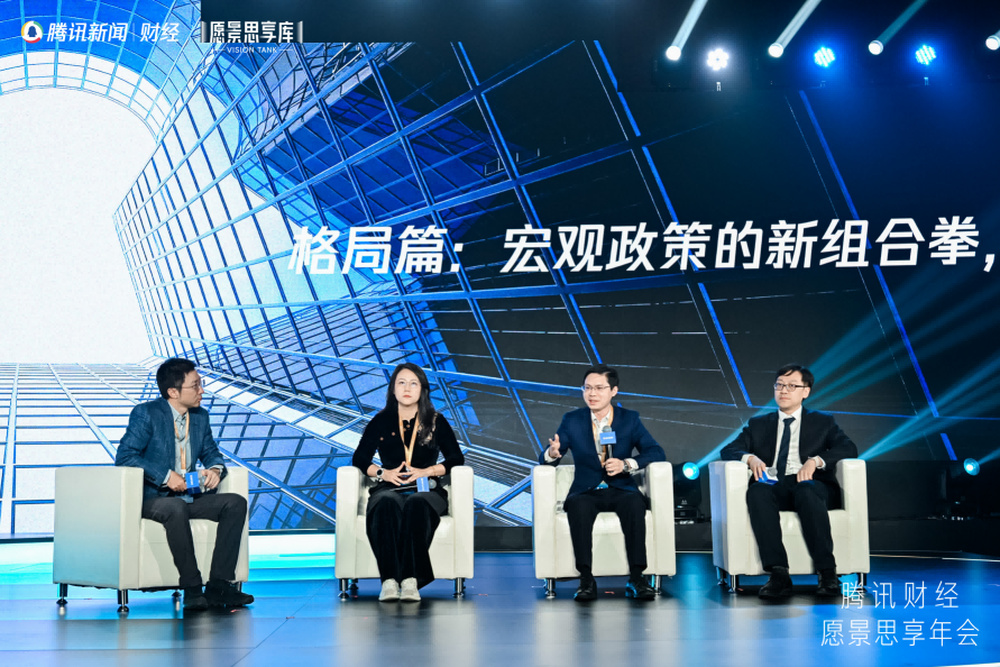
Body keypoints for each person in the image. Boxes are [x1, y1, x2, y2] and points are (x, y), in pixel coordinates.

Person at [115, 358, 253, 611]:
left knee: (235, 503)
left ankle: (219, 585)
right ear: (173, 392)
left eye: (201, 384)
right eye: (195, 385)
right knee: (175, 508)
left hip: (189, 496)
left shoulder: (200, 416)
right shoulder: (147, 413)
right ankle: (192, 587)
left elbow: (211, 452)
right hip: (153, 498)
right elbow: (125, 456)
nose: (202, 391)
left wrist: (215, 469)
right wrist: (166, 476)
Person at [721, 364, 858, 599]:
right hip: (776, 484)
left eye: (792, 386)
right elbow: (729, 449)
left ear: (806, 391)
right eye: (780, 385)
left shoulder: (822, 421)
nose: (784, 391)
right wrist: (750, 458)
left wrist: (816, 461)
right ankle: (778, 573)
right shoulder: (759, 424)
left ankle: (827, 572)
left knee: (806, 490)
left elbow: (848, 448)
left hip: (811, 484)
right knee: (758, 491)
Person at [540, 364, 666, 601]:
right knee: (579, 508)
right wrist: (552, 453)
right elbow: (547, 457)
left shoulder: (629, 419)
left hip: (621, 488)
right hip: (586, 490)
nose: (592, 394)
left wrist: (626, 464)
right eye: (587, 388)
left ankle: (637, 578)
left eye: (599, 388)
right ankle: (586, 580)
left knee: (635, 505)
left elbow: (656, 452)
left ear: (613, 391)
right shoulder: (572, 420)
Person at [352, 363, 465, 602]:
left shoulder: (436, 421)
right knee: (385, 503)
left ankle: (411, 580)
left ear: (422, 390)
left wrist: (427, 471)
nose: (407, 388)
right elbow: (360, 459)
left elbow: (456, 459)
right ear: (393, 389)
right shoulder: (381, 421)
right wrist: (383, 473)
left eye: (414, 383)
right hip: (389, 488)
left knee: (417, 503)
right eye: (401, 383)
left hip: (427, 489)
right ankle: (390, 581)